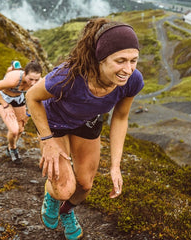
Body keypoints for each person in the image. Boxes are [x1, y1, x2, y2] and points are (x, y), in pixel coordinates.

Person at [26, 19, 144, 240]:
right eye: (120, 61)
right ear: (101, 59)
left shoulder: (132, 80)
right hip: (56, 122)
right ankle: (53, 197)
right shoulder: (68, 76)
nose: (128, 69)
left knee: (85, 185)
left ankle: (66, 211)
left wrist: (115, 166)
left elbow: (120, 116)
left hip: (87, 122)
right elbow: (31, 96)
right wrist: (47, 141)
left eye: (133, 61)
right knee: (64, 189)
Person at [0, 61, 43, 164]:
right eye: (30, 79)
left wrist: (30, 110)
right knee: (14, 130)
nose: (33, 83)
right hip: (4, 99)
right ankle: (13, 148)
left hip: (18, 99)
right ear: (24, 74)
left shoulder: (39, 82)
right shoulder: (13, 81)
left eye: (36, 80)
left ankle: (9, 148)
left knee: (20, 129)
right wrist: (5, 105)